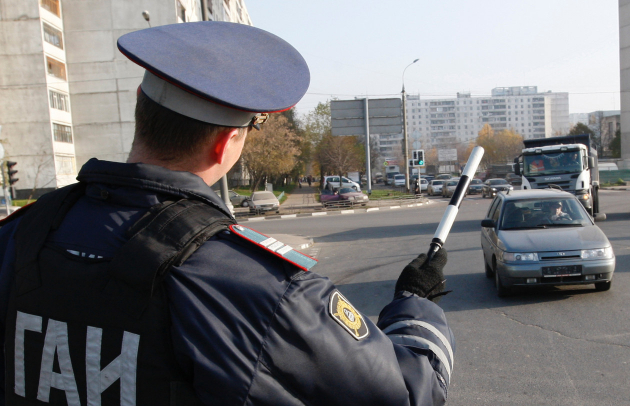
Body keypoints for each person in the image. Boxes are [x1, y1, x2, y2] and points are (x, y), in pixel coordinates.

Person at [0, 22, 453, 406]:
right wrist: (416, 305)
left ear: (141, 103)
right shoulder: (259, 288)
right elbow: (409, 393)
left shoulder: (22, 235)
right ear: (224, 143)